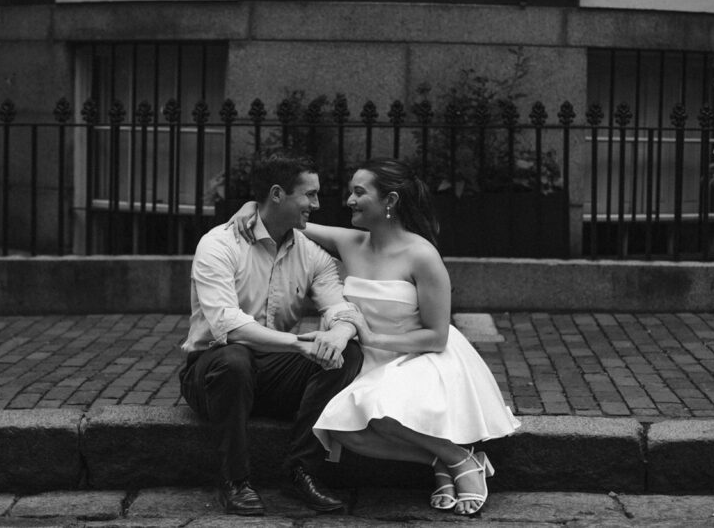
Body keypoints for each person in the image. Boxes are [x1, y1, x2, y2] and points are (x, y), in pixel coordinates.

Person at [228, 157, 520, 517]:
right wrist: (250, 206)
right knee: (342, 428)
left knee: (377, 415)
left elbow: (437, 336)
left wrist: (371, 336)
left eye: (359, 192)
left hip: (418, 355)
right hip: (368, 360)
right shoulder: (350, 242)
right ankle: (450, 457)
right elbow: (285, 216)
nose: (348, 200)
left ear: (391, 201)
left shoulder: (422, 255)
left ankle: (460, 462)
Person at [180, 151, 364, 516]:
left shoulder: (311, 254)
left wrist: (340, 333)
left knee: (348, 356)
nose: (317, 204)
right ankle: (235, 481)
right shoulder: (219, 244)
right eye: (309, 195)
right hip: (213, 371)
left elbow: (340, 307)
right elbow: (228, 326)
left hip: (270, 371)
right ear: (278, 194)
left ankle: (301, 471)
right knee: (236, 360)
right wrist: (299, 344)